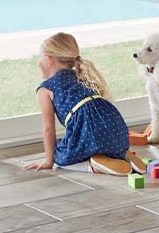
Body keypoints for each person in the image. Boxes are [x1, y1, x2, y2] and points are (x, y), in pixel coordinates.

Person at [25, 31, 144, 175]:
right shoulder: (82, 75)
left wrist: (49, 161)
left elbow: (48, 129)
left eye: (40, 57)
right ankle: (121, 154)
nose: (38, 62)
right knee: (94, 140)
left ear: (49, 60)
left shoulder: (45, 88)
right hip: (116, 128)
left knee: (59, 155)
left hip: (90, 130)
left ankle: (94, 165)